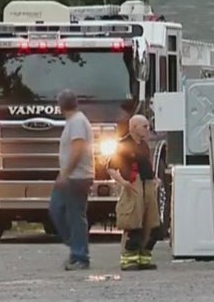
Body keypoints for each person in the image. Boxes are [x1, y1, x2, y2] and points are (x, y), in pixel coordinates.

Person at [107, 114, 161, 271]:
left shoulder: (144, 145)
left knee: (152, 225)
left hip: (148, 186)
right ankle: (129, 260)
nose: (147, 129)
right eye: (144, 126)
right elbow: (110, 168)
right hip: (133, 187)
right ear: (134, 127)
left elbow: (147, 164)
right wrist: (123, 182)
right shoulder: (123, 145)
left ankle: (144, 257)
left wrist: (155, 178)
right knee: (133, 224)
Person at [49, 89, 95, 270]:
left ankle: (80, 255)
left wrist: (66, 173)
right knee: (58, 209)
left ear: (60, 106)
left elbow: (78, 150)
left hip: (77, 176)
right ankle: (76, 245)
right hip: (72, 175)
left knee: (74, 216)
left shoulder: (77, 122)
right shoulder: (75, 121)